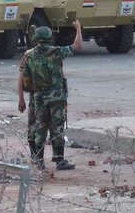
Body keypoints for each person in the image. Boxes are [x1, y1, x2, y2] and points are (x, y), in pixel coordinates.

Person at [22, 20, 82, 170]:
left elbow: (26, 80)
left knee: (40, 127)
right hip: (56, 95)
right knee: (57, 127)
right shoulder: (56, 52)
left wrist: (34, 91)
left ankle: (40, 161)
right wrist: (78, 29)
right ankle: (59, 159)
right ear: (49, 38)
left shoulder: (29, 56)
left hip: (39, 97)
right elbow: (77, 46)